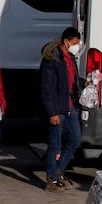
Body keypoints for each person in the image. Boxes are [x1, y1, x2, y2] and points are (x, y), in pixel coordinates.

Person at [40, 27, 83, 192]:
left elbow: (70, 79)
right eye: (75, 43)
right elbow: (48, 88)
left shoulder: (70, 57)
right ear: (66, 41)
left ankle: (59, 171)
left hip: (70, 105)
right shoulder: (53, 59)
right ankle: (51, 179)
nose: (77, 46)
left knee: (75, 140)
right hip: (58, 108)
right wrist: (53, 112)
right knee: (55, 144)